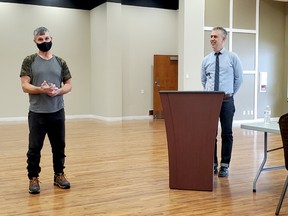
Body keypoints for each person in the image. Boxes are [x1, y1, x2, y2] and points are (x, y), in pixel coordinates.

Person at [20, 27, 72, 194]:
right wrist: (41, 89)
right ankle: (33, 178)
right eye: (40, 39)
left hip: (57, 111)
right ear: (35, 41)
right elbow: (24, 86)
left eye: (47, 38)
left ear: (52, 38)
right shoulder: (29, 60)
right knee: (34, 147)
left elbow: (69, 85)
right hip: (37, 113)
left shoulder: (60, 62)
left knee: (59, 146)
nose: (44, 42)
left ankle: (59, 175)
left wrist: (58, 91)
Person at [201, 26, 243, 177]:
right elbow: (204, 80)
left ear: (223, 39)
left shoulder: (232, 58)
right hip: (210, 102)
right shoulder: (206, 60)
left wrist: (229, 93)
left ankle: (225, 165)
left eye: (215, 37)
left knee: (227, 133)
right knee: (211, 134)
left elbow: (239, 79)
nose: (212, 39)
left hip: (226, 101)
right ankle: (213, 164)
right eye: (211, 36)